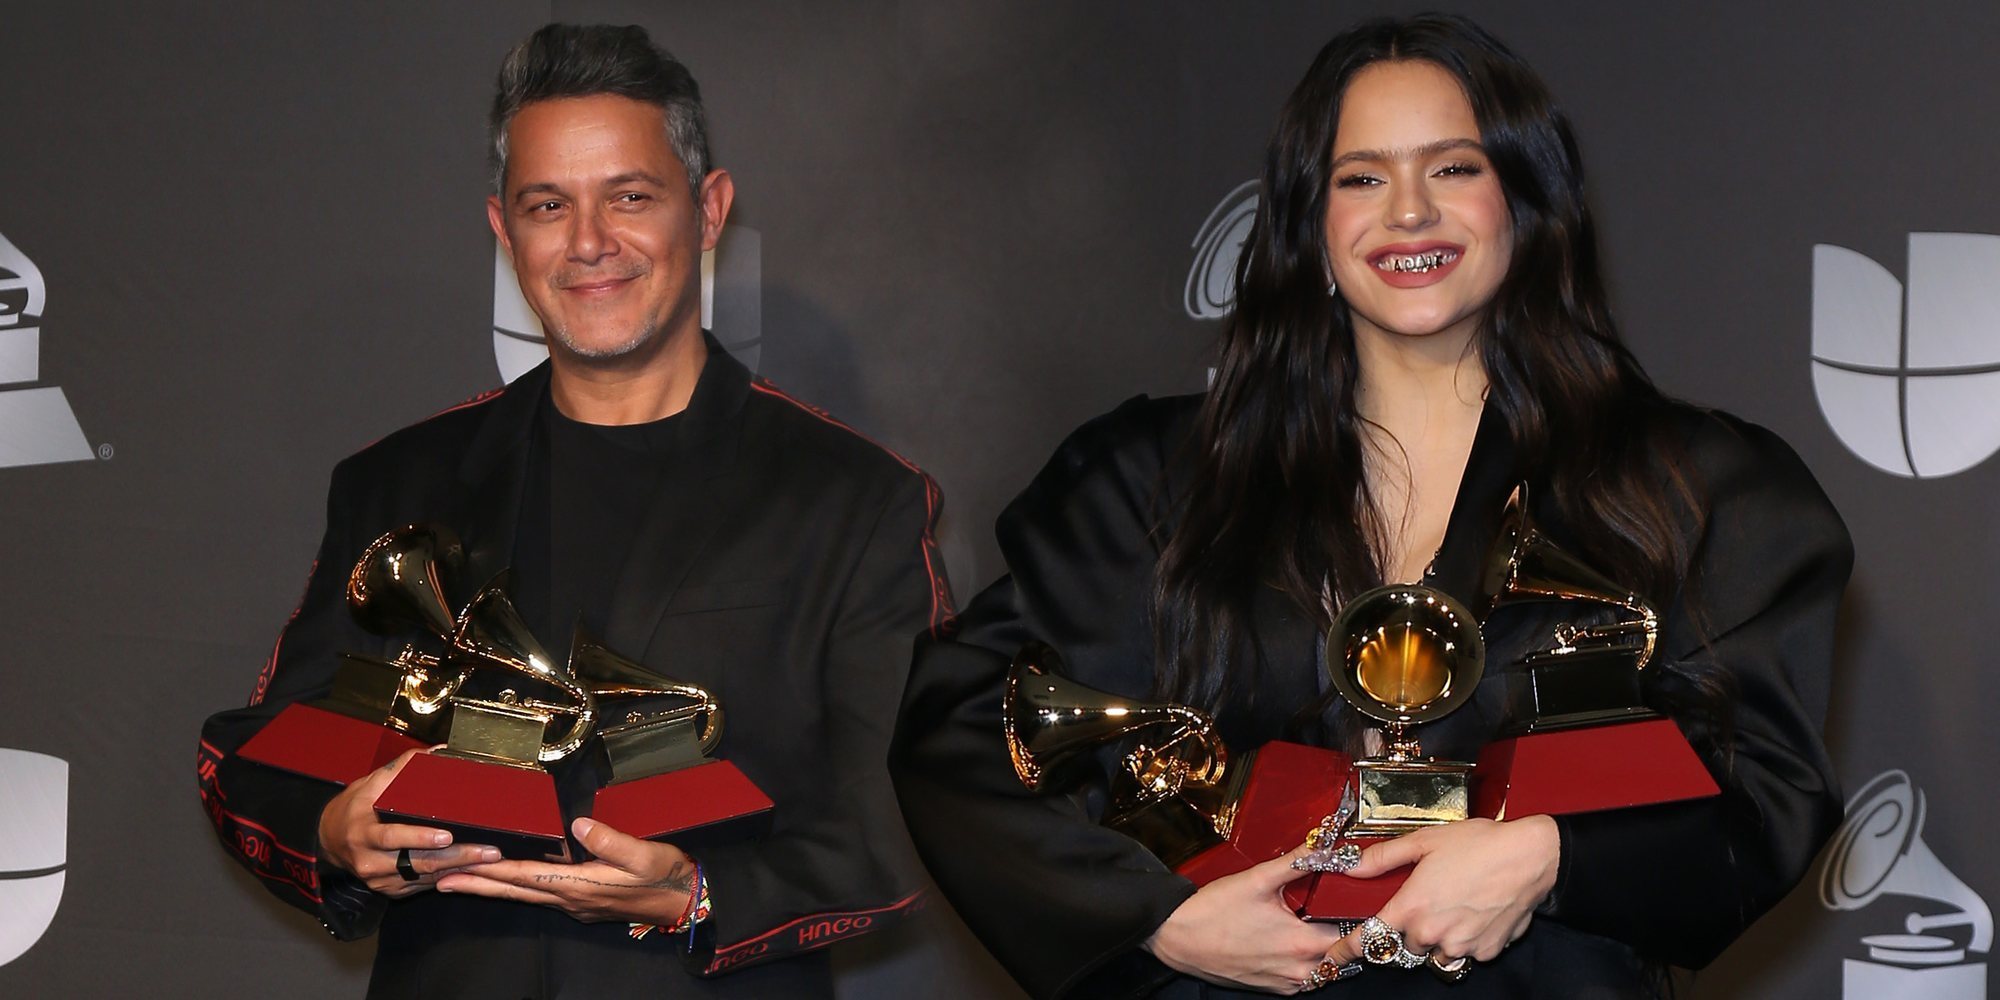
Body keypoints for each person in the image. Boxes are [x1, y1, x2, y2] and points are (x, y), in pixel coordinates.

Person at [891, 13, 1849, 999]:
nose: (1406, 212)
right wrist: (1152, 915)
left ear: (1524, 200)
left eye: (1451, 168)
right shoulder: (1151, 478)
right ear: (1309, 223)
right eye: (1360, 178)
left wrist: (1554, 859)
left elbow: (1765, 797)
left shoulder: (1688, 487)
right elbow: (962, 725)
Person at [197, 23, 950, 999]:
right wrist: (335, 830)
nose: (590, 243)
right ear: (505, 232)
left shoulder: (853, 500)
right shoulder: (399, 482)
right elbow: (283, 745)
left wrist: (701, 891)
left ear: (708, 210)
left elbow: (912, 811)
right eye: (548, 205)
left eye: (629, 197)